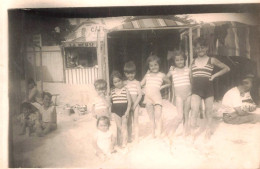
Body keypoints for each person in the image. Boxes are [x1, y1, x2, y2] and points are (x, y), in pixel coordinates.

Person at [190, 37, 230, 140]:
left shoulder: (211, 59)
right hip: (196, 90)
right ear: (195, 49)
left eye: (202, 47)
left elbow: (227, 68)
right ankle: (193, 133)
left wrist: (214, 76)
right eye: (198, 48)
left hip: (208, 89)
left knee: (208, 111)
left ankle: (208, 130)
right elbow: (190, 76)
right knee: (194, 110)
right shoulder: (192, 61)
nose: (200, 50)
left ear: (206, 48)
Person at [141, 55, 171, 138]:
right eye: (151, 65)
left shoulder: (161, 75)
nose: (153, 67)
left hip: (157, 97)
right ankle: (153, 132)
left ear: (159, 65)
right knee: (151, 117)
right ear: (149, 67)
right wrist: (146, 76)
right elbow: (140, 84)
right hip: (148, 98)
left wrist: (161, 87)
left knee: (158, 115)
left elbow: (169, 83)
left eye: (155, 65)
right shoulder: (147, 75)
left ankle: (159, 133)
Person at [166, 50, 191, 137]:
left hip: (188, 95)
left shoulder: (188, 70)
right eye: (177, 60)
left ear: (184, 59)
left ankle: (184, 133)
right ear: (174, 61)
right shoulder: (173, 71)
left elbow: (191, 81)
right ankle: (173, 130)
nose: (179, 62)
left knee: (186, 115)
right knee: (180, 116)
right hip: (179, 96)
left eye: (181, 59)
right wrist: (169, 70)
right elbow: (165, 78)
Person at [110, 71, 131, 147]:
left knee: (124, 126)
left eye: (119, 81)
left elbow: (129, 102)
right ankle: (119, 142)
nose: (118, 83)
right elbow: (110, 103)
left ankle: (124, 143)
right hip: (116, 111)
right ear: (113, 83)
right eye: (115, 82)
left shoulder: (125, 90)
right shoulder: (112, 92)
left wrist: (128, 111)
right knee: (118, 127)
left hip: (124, 111)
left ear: (122, 80)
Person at [123, 61, 142, 143]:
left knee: (136, 121)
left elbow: (140, 95)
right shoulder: (124, 83)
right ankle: (130, 137)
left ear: (135, 72)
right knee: (129, 122)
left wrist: (135, 105)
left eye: (132, 73)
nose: (130, 75)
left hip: (135, 105)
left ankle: (137, 137)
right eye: (128, 73)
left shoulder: (137, 82)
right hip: (127, 106)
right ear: (125, 73)